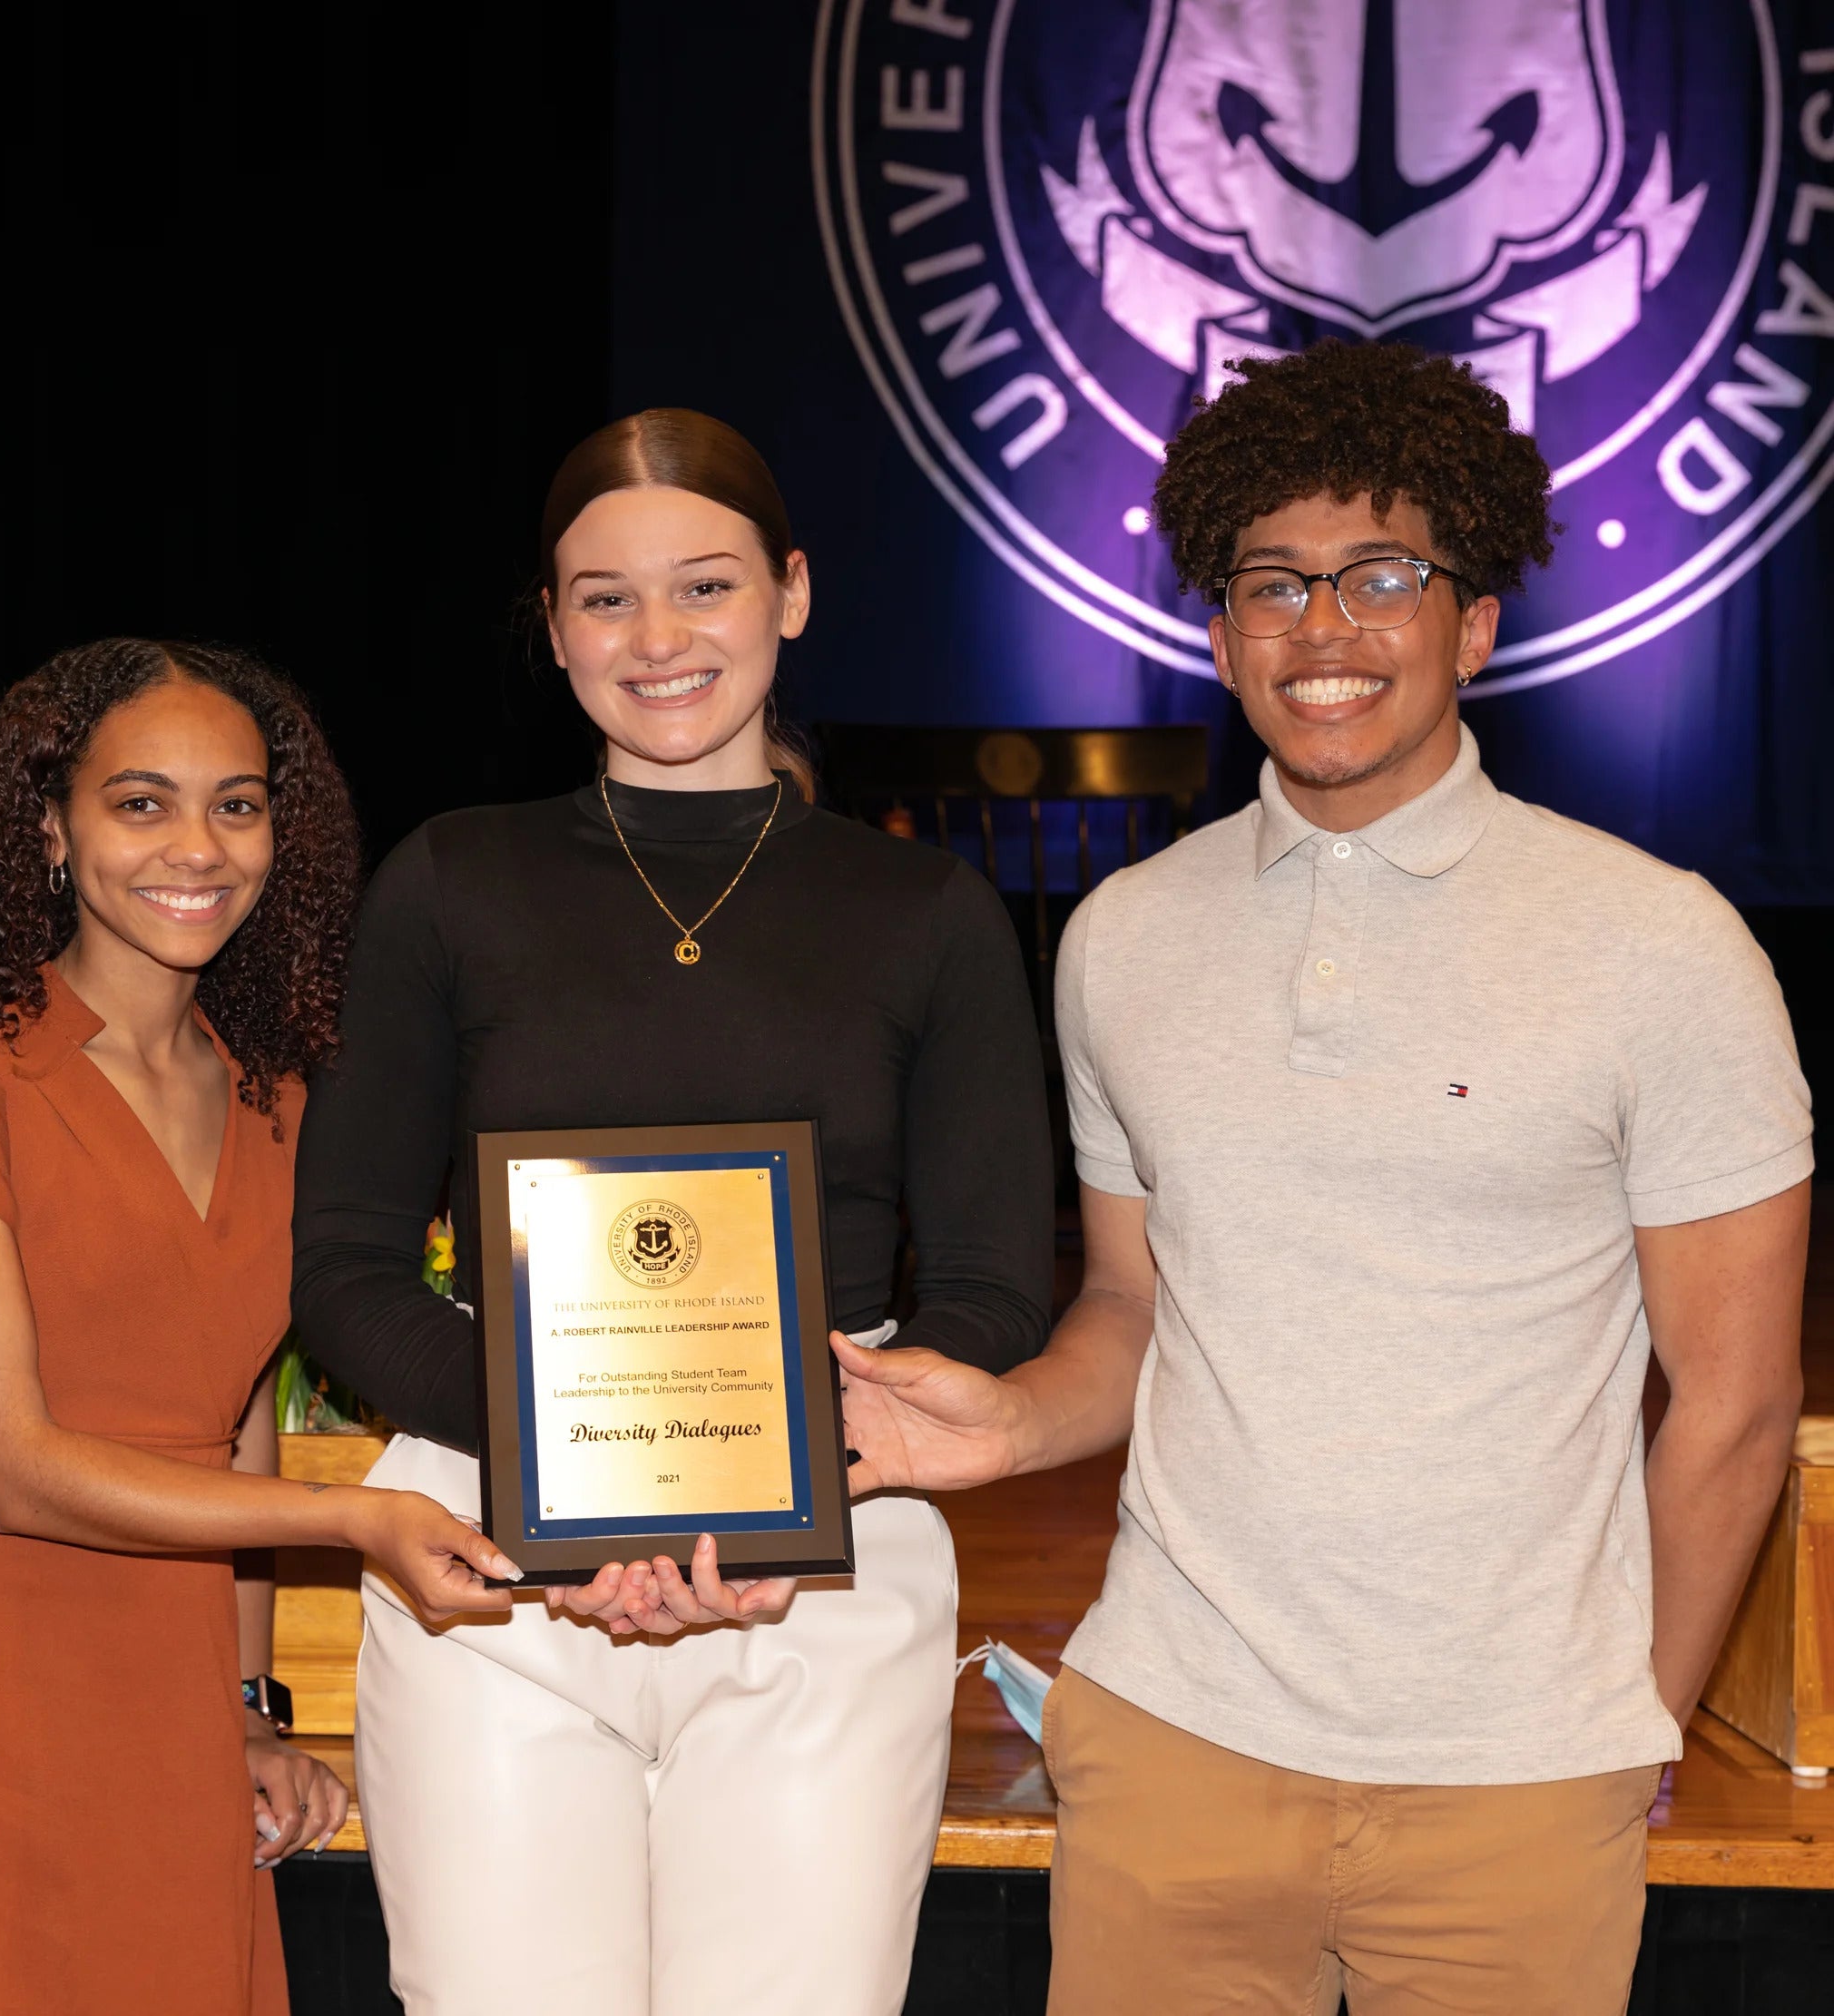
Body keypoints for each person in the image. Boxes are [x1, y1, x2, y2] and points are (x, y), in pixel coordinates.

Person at [837, 343, 1813, 2016]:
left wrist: (1624, 1723)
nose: (1323, 628)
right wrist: (1001, 1424)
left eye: (1382, 576)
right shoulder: (1123, 942)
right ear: (1220, 631)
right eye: (1274, 584)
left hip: (1519, 1774)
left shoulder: (1664, 944)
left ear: (1475, 620)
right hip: (1170, 1736)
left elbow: (1732, 1398)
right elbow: (1139, 1307)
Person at [290, 408, 1054, 2015]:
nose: (658, 638)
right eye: (604, 597)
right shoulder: (448, 879)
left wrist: (791, 1477)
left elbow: (989, 1284)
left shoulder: (925, 909)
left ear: (789, 593)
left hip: (827, 1556)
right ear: (553, 628)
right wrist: (567, 1470)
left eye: (702, 585)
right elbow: (349, 1267)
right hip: (493, 1551)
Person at [0, 640, 519, 2016]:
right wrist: (355, 1524)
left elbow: (230, 1414)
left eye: (238, 804)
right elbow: (8, 1462)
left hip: (170, 1717)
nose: (200, 845)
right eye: (143, 802)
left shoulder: (277, 1104)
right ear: (51, 829)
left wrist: (247, 1708)